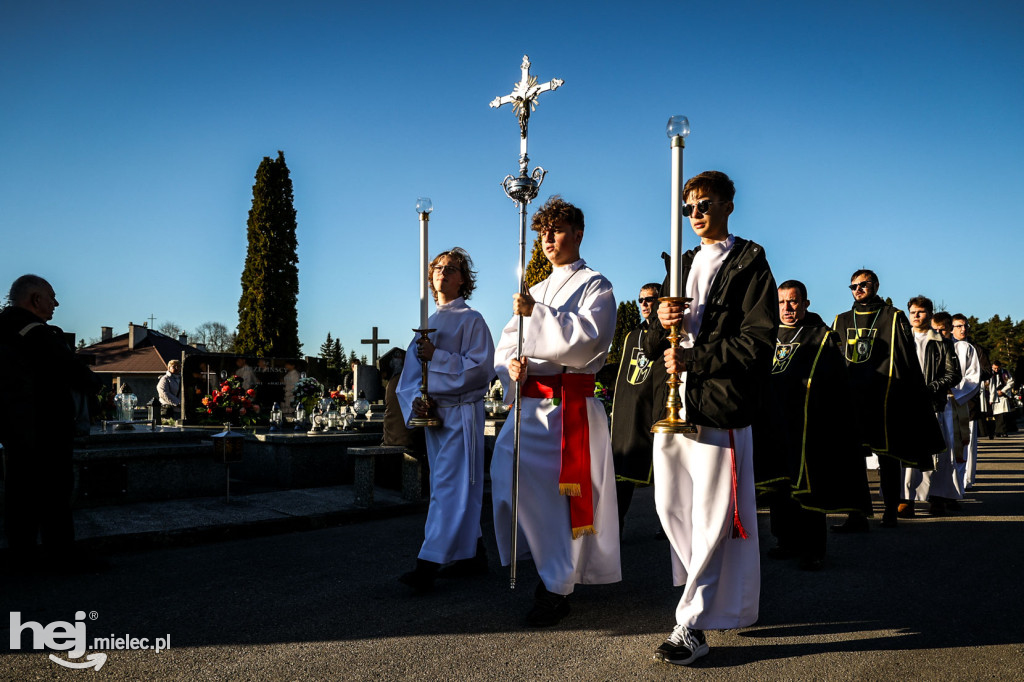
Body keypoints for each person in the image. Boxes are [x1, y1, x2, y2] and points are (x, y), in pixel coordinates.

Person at [643, 171, 776, 665]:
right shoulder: (679, 265)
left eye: (704, 204)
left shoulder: (750, 264)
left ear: (729, 205)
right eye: (688, 208)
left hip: (719, 408)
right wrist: (659, 323)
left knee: (716, 519)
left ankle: (691, 624)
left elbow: (758, 341)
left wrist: (695, 358)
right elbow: (652, 344)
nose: (696, 215)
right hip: (673, 410)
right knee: (672, 511)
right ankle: (716, 603)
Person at [491, 195, 620, 627]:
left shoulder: (596, 285)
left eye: (557, 229)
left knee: (560, 501)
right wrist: (510, 364)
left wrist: (538, 315)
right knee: (505, 480)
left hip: (569, 410)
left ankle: (555, 586)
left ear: (578, 233)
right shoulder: (536, 289)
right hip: (528, 407)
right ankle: (546, 563)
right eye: (543, 230)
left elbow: (587, 341)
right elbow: (509, 343)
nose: (548, 237)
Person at [753, 280, 872, 571]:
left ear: (806, 303)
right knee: (780, 488)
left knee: (808, 491)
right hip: (774, 424)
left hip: (808, 426)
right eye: (781, 302)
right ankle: (785, 540)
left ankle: (813, 549)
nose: (787, 308)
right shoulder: (767, 335)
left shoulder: (821, 337)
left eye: (793, 302)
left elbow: (835, 384)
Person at [396, 248, 495, 592]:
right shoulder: (427, 324)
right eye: (438, 268)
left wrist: (437, 356)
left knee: (451, 486)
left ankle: (428, 563)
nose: (442, 273)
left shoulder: (472, 320)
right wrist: (417, 403)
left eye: (451, 269)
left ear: (463, 279)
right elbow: (409, 377)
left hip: (462, 413)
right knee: (450, 485)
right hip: (436, 417)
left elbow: (479, 371)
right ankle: (473, 554)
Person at [0, 275, 102, 574]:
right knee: (54, 494)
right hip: (47, 427)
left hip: (13, 429)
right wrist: (94, 384)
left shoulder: (3, 328)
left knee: (19, 495)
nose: (55, 303)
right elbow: (76, 373)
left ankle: (23, 558)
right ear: (35, 300)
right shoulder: (37, 334)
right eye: (51, 297)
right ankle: (62, 557)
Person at [831, 270, 944, 530]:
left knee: (888, 457)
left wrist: (912, 399)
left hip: (885, 400)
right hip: (853, 400)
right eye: (853, 285)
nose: (857, 289)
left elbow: (907, 361)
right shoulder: (841, 319)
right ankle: (856, 515)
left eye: (863, 284)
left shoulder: (894, 317)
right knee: (851, 459)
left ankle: (891, 511)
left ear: (876, 285)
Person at [900, 297, 961, 517]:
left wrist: (931, 388)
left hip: (934, 404)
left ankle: (937, 497)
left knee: (939, 454)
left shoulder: (941, 342)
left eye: (921, 312)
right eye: (913, 312)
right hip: (907, 405)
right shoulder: (901, 339)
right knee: (907, 452)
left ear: (930, 313)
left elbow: (953, 374)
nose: (916, 316)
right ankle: (906, 499)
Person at [610, 281, 661, 536]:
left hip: (656, 410)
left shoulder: (670, 332)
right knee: (622, 472)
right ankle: (614, 526)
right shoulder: (631, 335)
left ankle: (670, 524)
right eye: (641, 300)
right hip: (628, 410)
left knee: (665, 473)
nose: (644, 305)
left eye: (650, 299)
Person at [932, 312, 980, 501]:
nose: (938, 332)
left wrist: (953, 391)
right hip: (933, 403)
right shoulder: (928, 346)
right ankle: (933, 492)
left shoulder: (964, 348)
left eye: (942, 329)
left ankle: (954, 492)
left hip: (953, 402)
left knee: (956, 449)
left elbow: (973, 377)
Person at [952, 314, 989, 487]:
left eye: (965, 325)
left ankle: (967, 480)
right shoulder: (945, 345)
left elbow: (987, 370)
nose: (963, 329)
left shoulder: (976, 348)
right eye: (959, 326)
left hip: (969, 402)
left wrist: (967, 380)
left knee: (968, 443)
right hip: (947, 403)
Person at [990, 360, 1016, 437]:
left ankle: (1003, 431)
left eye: (997, 368)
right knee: (997, 415)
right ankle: (997, 431)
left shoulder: (1005, 372)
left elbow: (1011, 382)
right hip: (993, 395)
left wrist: (1003, 391)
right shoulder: (989, 373)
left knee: (1003, 414)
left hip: (1003, 395)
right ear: (992, 366)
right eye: (994, 368)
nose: (996, 370)